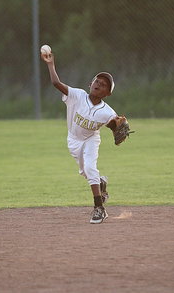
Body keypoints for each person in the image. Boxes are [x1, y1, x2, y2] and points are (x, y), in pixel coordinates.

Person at [41, 50, 118, 224]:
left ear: (107, 93)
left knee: (90, 168)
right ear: (90, 83)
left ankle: (99, 208)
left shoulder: (107, 112)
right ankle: (101, 183)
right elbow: (55, 82)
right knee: (85, 172)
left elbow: (116, 126)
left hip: (91, 140)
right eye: (97, 81)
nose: (99, 84)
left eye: (104, 85)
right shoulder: (77, 95)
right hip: (73, 141)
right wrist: (50, 64)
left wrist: (118, 128)